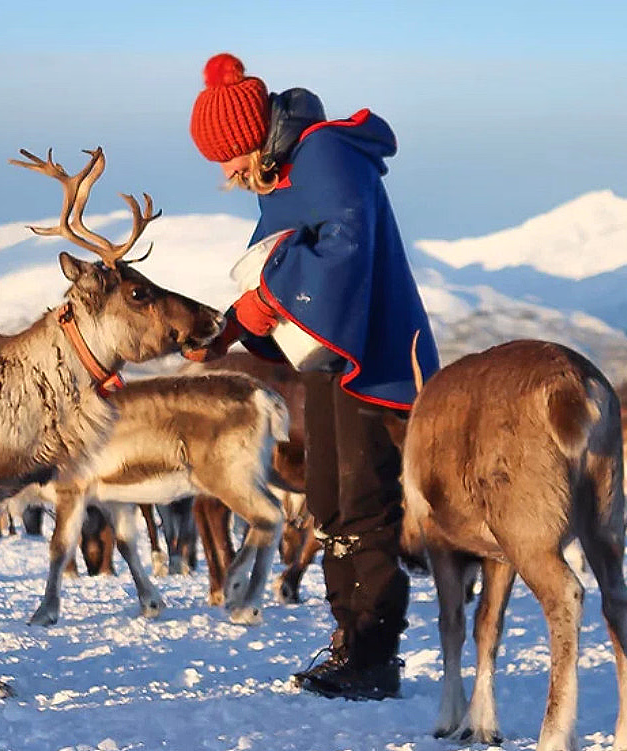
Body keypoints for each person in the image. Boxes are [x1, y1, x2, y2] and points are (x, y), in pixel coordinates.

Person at [184, 53, 440, 701]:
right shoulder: (282, 174)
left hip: (373, 357)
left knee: (365, 503)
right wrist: (232, 332)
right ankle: (347, 640)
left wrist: (263, 300)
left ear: (254, 134)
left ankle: (375, 655)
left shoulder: (325, 155)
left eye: (230, 154)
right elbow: (273, 270)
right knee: (325, 499)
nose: (227, 171)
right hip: (327, 359)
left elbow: (342, 248)